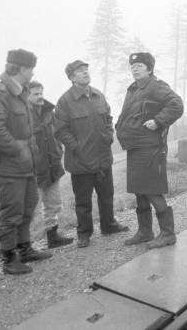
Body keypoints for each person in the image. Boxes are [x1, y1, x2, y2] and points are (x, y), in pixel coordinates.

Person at [0, 49, 52, 275]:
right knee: (12, 211)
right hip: (9, 166)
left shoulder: (20, 92)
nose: (33, 73)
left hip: (26, 164)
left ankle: (25, 249)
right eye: (31, 68)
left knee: (27, 207)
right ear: (22, 69)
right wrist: (18, 150)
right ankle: (9, 257)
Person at [54, 60, 129, 248]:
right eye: (80, 71)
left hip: (102, 157)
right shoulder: (65, 101)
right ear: (71, 78)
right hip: (81, 161)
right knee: (83, 201)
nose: (85, 73)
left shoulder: (98, 95)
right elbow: (60, 130)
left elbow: (108, 118)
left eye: (86, 69)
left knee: (106, 195)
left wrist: (109, 135)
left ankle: (108, 225)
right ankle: (84, 233)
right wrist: (77, 147)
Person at [116, 53, 184, 249]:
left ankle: (168, 234)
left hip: (150, 148)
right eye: (133, 66)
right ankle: (145, 232)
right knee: (139, 191)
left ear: (149, 69)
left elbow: (176, 105)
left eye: (139, 65)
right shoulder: (134, 88)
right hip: (136, 146)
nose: (135, 69)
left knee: (152, 191)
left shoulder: (156, 86)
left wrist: (158, 121)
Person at [28, 81, 74, 248]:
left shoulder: (49, 112)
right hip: (33, 169)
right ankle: (23, 246)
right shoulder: (23, 115)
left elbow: (58, 132)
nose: (40, 96)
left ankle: (52, 237)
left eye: (41, 92)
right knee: (29, 209)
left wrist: (58, 150)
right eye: (35, 94)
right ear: (27, 96)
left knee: (54, 203)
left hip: (52, 166)